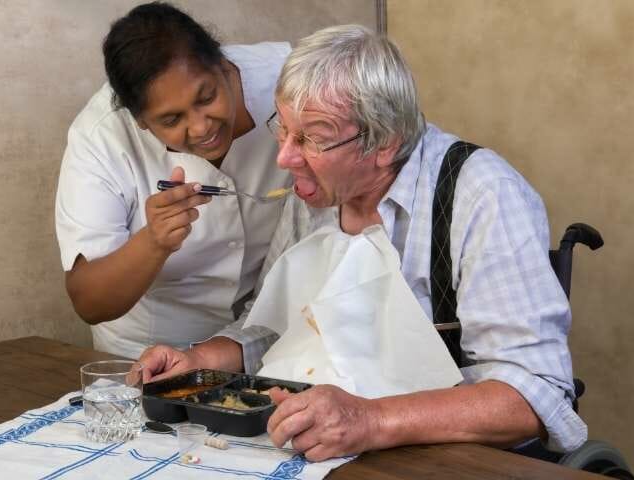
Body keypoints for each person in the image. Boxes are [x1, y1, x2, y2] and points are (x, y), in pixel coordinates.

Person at [137, 25, 587, 461]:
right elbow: (273, 330)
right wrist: (196, 363)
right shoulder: (314, 193)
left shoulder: (483, 194)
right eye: (284, 129)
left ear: (385, 142)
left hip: (457, 459)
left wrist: (370, 420)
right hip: (335, 448)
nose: (285, 157)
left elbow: (536, 394)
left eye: (312, 138)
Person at [55, 2, 291, 359]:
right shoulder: (100, 136)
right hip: (147, 354)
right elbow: (90, 300)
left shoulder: (290, 80)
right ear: (140, 122)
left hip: (263, 337)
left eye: (207, 97)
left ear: (225, 68)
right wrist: (153, 241)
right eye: (170, 120)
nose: (200, 127)